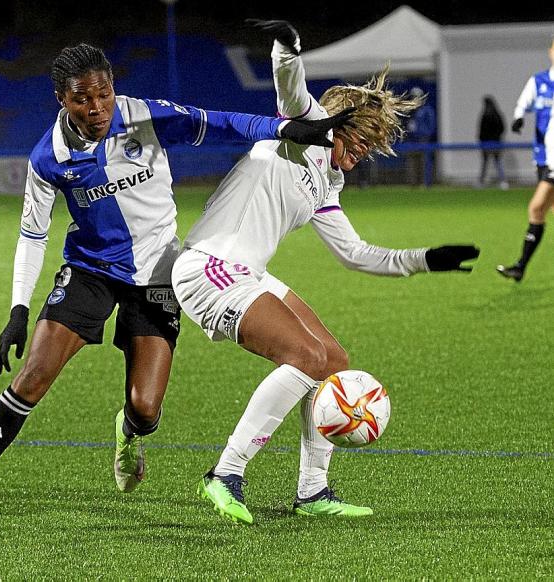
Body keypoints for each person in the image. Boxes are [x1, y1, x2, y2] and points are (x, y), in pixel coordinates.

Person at [0, 43, 354, 535]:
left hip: (159, 274)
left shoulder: (142, 118)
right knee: (31, 379)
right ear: (63, 98)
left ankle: (128, 433)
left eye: (104, 93)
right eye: (84, 98)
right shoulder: (48, 158)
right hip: (89, 273)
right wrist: (18, 309)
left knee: (146, 409)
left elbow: (221, 122)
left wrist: (283, 128)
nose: (97, 107)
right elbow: (32, 234)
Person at [171, 20, 480, 525]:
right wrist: (286, 46)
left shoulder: (327, 183)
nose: (356, 161)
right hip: (210, 268)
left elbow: (356, 254)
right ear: (336, 125)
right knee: (305, 354)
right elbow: (290, 88)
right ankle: (226, 473)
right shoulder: (301, 136)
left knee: (333, 359)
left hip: (248, 272)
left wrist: (427, 258)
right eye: (356, 146)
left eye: (365, 154)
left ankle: (312, 492)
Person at [497, 38, 554, 282]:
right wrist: (519, 117)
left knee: (536, 207)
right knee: (544, 209)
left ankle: (520, 266)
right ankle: (520, 268)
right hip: (543, 156)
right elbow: (523, 102)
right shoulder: (539, 81)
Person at [477, 95, 508, 189]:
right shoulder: (494, 114)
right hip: (492, 142)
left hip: (491, 142)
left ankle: (499, 181)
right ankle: (501, 181)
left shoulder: (488, 115)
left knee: (493, 162)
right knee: (493, 162)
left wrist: (485, 138)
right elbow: (502, 128)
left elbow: (500, 128)